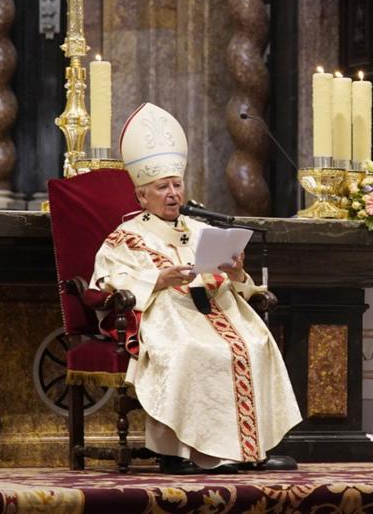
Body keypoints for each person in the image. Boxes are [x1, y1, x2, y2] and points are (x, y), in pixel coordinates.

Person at [90, 103, 301, 474]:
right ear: (141, 196)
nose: (173, 193)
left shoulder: (202, 229)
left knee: (255, 343)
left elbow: (232, 282)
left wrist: (236, 273)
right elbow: (108, 285)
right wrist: (159, 279)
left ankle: (252, 450)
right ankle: (179, 454)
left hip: (215, 310)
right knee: (192, 351)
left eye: (177, 184)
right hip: (166, 318)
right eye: (162, 187)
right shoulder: (126, 237)